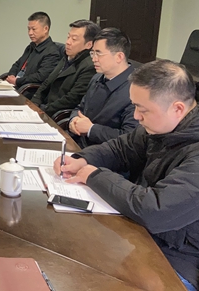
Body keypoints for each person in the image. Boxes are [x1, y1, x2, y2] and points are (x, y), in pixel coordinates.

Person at [55, 60, 199, 291]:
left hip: (178, 261)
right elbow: (121, 148)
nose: (136, 116)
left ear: (178, 109)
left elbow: (155, 210)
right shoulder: (162, 127)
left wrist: (95, 176)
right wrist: (83, 159)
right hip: (142, 236)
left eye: (143, 110)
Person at [69, 28, 138, 147]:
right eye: (92, 53)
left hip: (104, 152)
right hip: (78, 142)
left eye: (99, 53)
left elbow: (129, 137)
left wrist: (91, 129)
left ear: (119, 57)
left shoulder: (136, 89)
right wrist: (73, 120)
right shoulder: (97, 77)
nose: (94, 59)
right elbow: (80, 107)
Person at [31, 19, 100, 117]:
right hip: (45, 107)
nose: (68, 42)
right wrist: (35, 101)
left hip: (56, 114)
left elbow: (72, 99)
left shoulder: (90, 66)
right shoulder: (68, 57)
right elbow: (47, 82)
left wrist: (43, 110)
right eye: (68, 37)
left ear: (89, 45)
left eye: (74, 39)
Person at [4, 11, 61, 98]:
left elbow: (41, 76)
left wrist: (17, 81)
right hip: (16, 85)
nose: (30, 33)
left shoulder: (52, 52)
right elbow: (17, 64)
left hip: (27, 90)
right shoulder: (31, 46)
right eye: (28, 29)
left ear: (45, 29)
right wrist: (11, 75)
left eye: (34, 29)